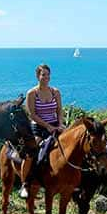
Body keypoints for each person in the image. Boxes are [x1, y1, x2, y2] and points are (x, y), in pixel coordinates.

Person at [18, 64, 65, 198]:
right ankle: (24, 184)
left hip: (55, 124)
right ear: (38, 76)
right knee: (30, 153)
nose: (46, 77)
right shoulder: (32, 93)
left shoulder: (55, 92)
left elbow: (59, 110)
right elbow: (32, 114)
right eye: (43, 74)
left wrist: (60, 124)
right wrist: (47, 126)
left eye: (48, 74)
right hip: (38, 127)